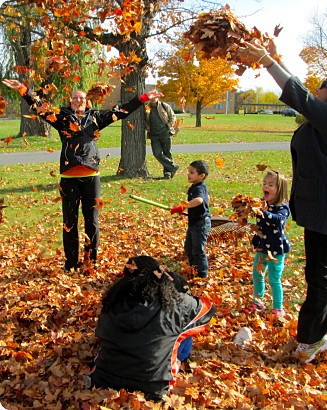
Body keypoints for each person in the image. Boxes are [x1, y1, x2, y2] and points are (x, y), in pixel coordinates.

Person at [244, 40, 327, 362]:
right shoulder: (326, 118)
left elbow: (298, 94)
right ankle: (311, 336)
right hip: (323, 205)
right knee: (317, 273)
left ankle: (312, 340)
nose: (319, 87)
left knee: (319, 274)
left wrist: (267, 60)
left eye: (324, 85)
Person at [2, 78, 163, 273]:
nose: (78, 100)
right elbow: (40, 107)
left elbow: (122, 111)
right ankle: (70, 263)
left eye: (82, 98)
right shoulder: (61, 119)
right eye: (75, 98)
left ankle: (91, 261)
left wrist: (144, 97)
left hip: (91, 177)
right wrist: (22, 89)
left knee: (92, 222)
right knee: (70, 222)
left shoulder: (96, 119)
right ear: (70, 102)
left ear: (87, 102)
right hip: (69, 178)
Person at [89, 255, 216, 402]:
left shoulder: (112, 302)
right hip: (154, 391)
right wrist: (179, 291)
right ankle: (182, 359)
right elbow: (208, 310)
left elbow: (99, 337)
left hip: (102, 382)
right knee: (186, 327)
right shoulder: (176, 304)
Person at [248, 170, 291, 317]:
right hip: (262, 248)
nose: (266, 186)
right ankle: (258, 301)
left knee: (274, 278)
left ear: (280, 190)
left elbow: (278, 220)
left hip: (276, 250)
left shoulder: (282, 207)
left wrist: (262, 212)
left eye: (271, 185)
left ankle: (278, 308)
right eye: (265, 184)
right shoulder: (262, 204)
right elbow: (259, 223)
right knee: (258, 275)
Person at [171, 160, 211, 278]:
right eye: (189, 172)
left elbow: (200, 200)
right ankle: (194, 269)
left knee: (198, 249)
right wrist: (184, 210)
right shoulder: (195, 187)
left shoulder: (199, 188)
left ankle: (202, 274)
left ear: (201, 176)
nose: (188, 174)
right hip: (194, 222)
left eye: (192, 172)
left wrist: (184, 205)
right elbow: (206, 198)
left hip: (201, 223)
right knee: (189, 248)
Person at [145, 95, 179, 179]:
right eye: (151, 97)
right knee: (157, 153)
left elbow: (172, 116)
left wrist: (169, 126)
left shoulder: (164, 106)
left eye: (154, 97)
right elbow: (145, 120)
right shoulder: (147, 108)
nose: (153, 99)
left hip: (165, 133)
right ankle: (173, 166)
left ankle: (168, 173)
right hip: (154, 134)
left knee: (167, 153)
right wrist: (148, 128)